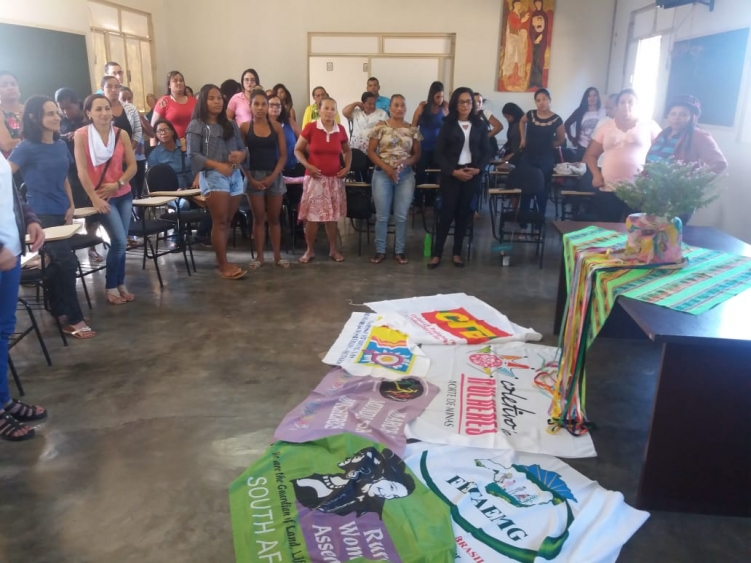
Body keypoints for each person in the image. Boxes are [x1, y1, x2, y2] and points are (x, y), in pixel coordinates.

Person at [8, 96, 94, 339]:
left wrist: (71, 204)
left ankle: (58, 309)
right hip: (41, 214)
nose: (57, 116)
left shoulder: (58, 144)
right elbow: (5, 175)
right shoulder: (26, 147)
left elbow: (65, 177)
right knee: (67, 262)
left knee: (58, 264)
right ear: (35, 118)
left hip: (62, 210)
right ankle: (74, 319)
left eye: (57, 112)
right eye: (50, 113)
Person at [0, 152, 47, 440]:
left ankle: (3, 400)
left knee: (3, 331)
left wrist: (30, 219)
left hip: (11, 252)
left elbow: (11, 192)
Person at [74, 94, 138, 304]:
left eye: (107, 108)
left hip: (123, 193)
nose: (104, 113)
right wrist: (94, 198)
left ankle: (119, 283)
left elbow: (132, 166)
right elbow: (81, 171)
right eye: (98, 109)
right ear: (88, 113)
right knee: (119, 241)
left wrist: (118, 184)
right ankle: (111, 285)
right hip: (102, 198)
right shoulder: (81, 135)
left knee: (121, 241)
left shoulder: (121, 134)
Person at [186, 84, 248, 280]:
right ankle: (222, 265)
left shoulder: (231, 124)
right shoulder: (196, 124)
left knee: (228, 220)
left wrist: (241, 155)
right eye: (212, 98)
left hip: (235, 175)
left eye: (219, 98)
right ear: (203, 101)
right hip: (213, 175)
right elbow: (193, 155)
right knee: (219, 221)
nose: (217, 102)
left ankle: (223, 259)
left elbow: (244, 149)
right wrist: (218, 165)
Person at [428, 87, 490, 270]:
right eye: (462, 102)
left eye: (469, 101)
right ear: (455, 103)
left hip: (472, 174)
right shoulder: (447, 124)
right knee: (446, 215)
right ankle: (437, 253)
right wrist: (453, 172)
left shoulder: (480, 125)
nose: (465, 105)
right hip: (451, 174)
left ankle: (457, 253)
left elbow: (487, 152)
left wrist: (478, 169)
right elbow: (439, 153)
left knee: (464, 215)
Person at [583, 88, 662, 222]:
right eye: (622, 102)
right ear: (617, 105)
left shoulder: (649, 125)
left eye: (630, 102)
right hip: (609, 186)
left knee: (637, 230)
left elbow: (662, 152)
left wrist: (653, 175)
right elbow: (590, 155)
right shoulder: (605, 127)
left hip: (639, 188)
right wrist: (596, 175)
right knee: (608, 229)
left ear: (637, 105)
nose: (626, 105)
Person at [294, 97, 351, 264]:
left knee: (331, 218)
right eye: (326, 108)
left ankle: (333, 250)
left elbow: (347, 151)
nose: (329, 112)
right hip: (315, 180)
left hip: (334, 180)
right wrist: (308, 166)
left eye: (333, 109)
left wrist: (347, 167)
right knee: (312, 218)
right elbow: (297, 150)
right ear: (319, 110)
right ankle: (309, 250)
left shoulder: (340, 130)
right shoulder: (311, 128)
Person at [367, 94, 422, 265]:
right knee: (382, 216)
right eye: (396, 105)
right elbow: (370, 152)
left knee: (401, 216)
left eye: (402, 105)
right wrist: (387, 168)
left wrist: (405, 163)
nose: (399, 108)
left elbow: (417, 154)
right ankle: (380, 250)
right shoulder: (379, 127)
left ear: (406, 108)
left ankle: (399, 251)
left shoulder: (413, 129)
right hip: (383, 174)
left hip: (405, 175)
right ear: (389, 108)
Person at [292, 447, 415, 518]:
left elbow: (326, 511)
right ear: (383, 476)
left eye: (393, 496)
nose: (388, 495)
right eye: (392, 488)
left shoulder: (364, 505)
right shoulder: (321, 466)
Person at [56, 87, 105, 263]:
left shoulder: (89, 121)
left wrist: (79, 135)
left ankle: (92, 246)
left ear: (78, 104)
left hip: (91, 170)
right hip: (70, 172)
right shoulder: (60, 122)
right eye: (61, 108)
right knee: (71, 208)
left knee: (93, 209)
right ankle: (69, 246)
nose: (65, 112)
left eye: (68, 108)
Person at [240, 92, 288, 269]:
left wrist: (272, 177)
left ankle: (277, 256)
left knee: (274, 218)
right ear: (250, 106)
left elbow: (283, 155)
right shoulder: (244, 127)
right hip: (253, 176)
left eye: (263, 104)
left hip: (274, 175)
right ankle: (259, 257)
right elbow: (241, 156)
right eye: (256, 104)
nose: (260, 108)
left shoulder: (276, 126)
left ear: (268, 107)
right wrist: (250, 178)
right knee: (259, 218)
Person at [646, 95, 727, 174]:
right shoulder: (663, 134)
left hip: (676, 187)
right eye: (673, 113)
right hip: (649, 185)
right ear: (668, 116)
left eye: (683, 114)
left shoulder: (699, 136)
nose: (676, 117)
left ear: (692, 117)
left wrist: (692, 181)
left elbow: (719, 164)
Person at [519, 88, 565, 214]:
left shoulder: (557, 119)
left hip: (545, 158)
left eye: (544, 99)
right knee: (526, 188)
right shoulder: (531, 114)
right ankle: (523, 223)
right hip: (528, 156)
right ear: (535, 102)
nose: (541, 102)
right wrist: (523, 138)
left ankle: (540, 220)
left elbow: (561, 139)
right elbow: (522, 122)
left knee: (542, 188)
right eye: (538, 100)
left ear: (549, 100)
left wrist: (549, 145)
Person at [412, 81, 448, 181]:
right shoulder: (422, 107)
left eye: (442, 96)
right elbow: (414, 126)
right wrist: (416, 143)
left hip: (438, 147)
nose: (440, 99)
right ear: (432, 96)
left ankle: (431, 196)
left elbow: (449, 126)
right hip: (422, 147)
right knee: (421, 174)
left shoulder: (445, 107)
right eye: (437, 97)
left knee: (434, 174)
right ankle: (419, 196)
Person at [150, 71, 197, 147]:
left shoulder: (193, 101)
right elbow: (153, 128)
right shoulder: (164, 101)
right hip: (171, 145)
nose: (179, 83)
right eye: (175, 81)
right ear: (169, 85)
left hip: (192, 144)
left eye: (181, 80)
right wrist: (153, 148)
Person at [119, 86, 148, 201]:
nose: (127, 101)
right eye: (123, 99)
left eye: (129, 98)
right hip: (124, 159)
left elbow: (151, 133)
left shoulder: (137, 114)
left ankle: (139, 216)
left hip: (139, 157)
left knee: (139, 192)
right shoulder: (119, 117)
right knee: (130, 189)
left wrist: (140, 117)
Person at [148, 118, 195, 189]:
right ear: (156, 135)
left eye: (166, 129)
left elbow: (200, 164)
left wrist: (199, 176)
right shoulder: (154, 155)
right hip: (171, 192)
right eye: (159, 131)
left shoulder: (186, 145)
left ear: (172, 131)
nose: (163, 133)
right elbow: (155, 179)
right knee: (184, 201)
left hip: (194, 186)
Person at [564, 87, 606, 160]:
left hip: (599, 150)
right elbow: (567, 124)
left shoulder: (604, 111)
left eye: (594, 95)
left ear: (598, 97)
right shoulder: (580, 111)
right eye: (589, 96)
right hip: (582, 149)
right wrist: (572, 139)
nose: (592, 98)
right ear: (586, 98)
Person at [268, 94, 302, 176]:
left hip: (292, 168)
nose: (275, 107)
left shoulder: (289, 122)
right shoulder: (261, 125)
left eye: (278, 105)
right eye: (271, 105)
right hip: (270, 171)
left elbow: (303, 141)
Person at [0, 71, 23, 158]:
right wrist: (37, 139)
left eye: (13, 84)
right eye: (4, 85)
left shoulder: (30, 109)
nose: (10, 87)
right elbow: (7, 145)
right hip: (9, 165)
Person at [473, 92, 503, 157]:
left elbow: (499, 126)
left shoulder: (485, 113)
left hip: (486, 144)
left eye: (479, 101)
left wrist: (486, 137)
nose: (477, 104)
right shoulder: (465, 115)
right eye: (475, 101)